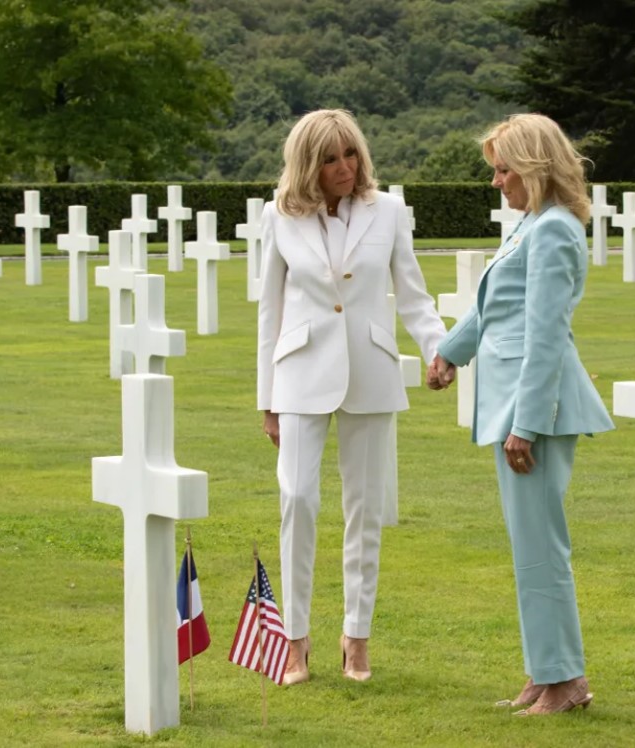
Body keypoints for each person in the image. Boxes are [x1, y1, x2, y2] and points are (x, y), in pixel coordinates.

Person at [428, 113, 615, 715]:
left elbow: (546, 334)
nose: (496, 180)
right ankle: (545, 671)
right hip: (511, 406)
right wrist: (450, 353)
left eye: (503, 169)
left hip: (536, 413)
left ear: (534, 167)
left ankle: (567, 682)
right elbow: (495, 310)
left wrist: (525, 425)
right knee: (527, 544)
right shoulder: (530, 225)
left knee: (541, 547)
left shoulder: (555, 230)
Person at [257, 109, 447, 685]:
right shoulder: (278, 217)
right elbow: (271, 308)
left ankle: (355, 638)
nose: (344, 167)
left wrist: (439, 347)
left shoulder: (386, 211)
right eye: (330, 158)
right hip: (299, 374)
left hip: (370, 368)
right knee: (298, 501)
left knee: (364, 508)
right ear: (307, 163)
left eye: (351, 154)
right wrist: (266, 398)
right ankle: (295, 641)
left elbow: (411, 293)